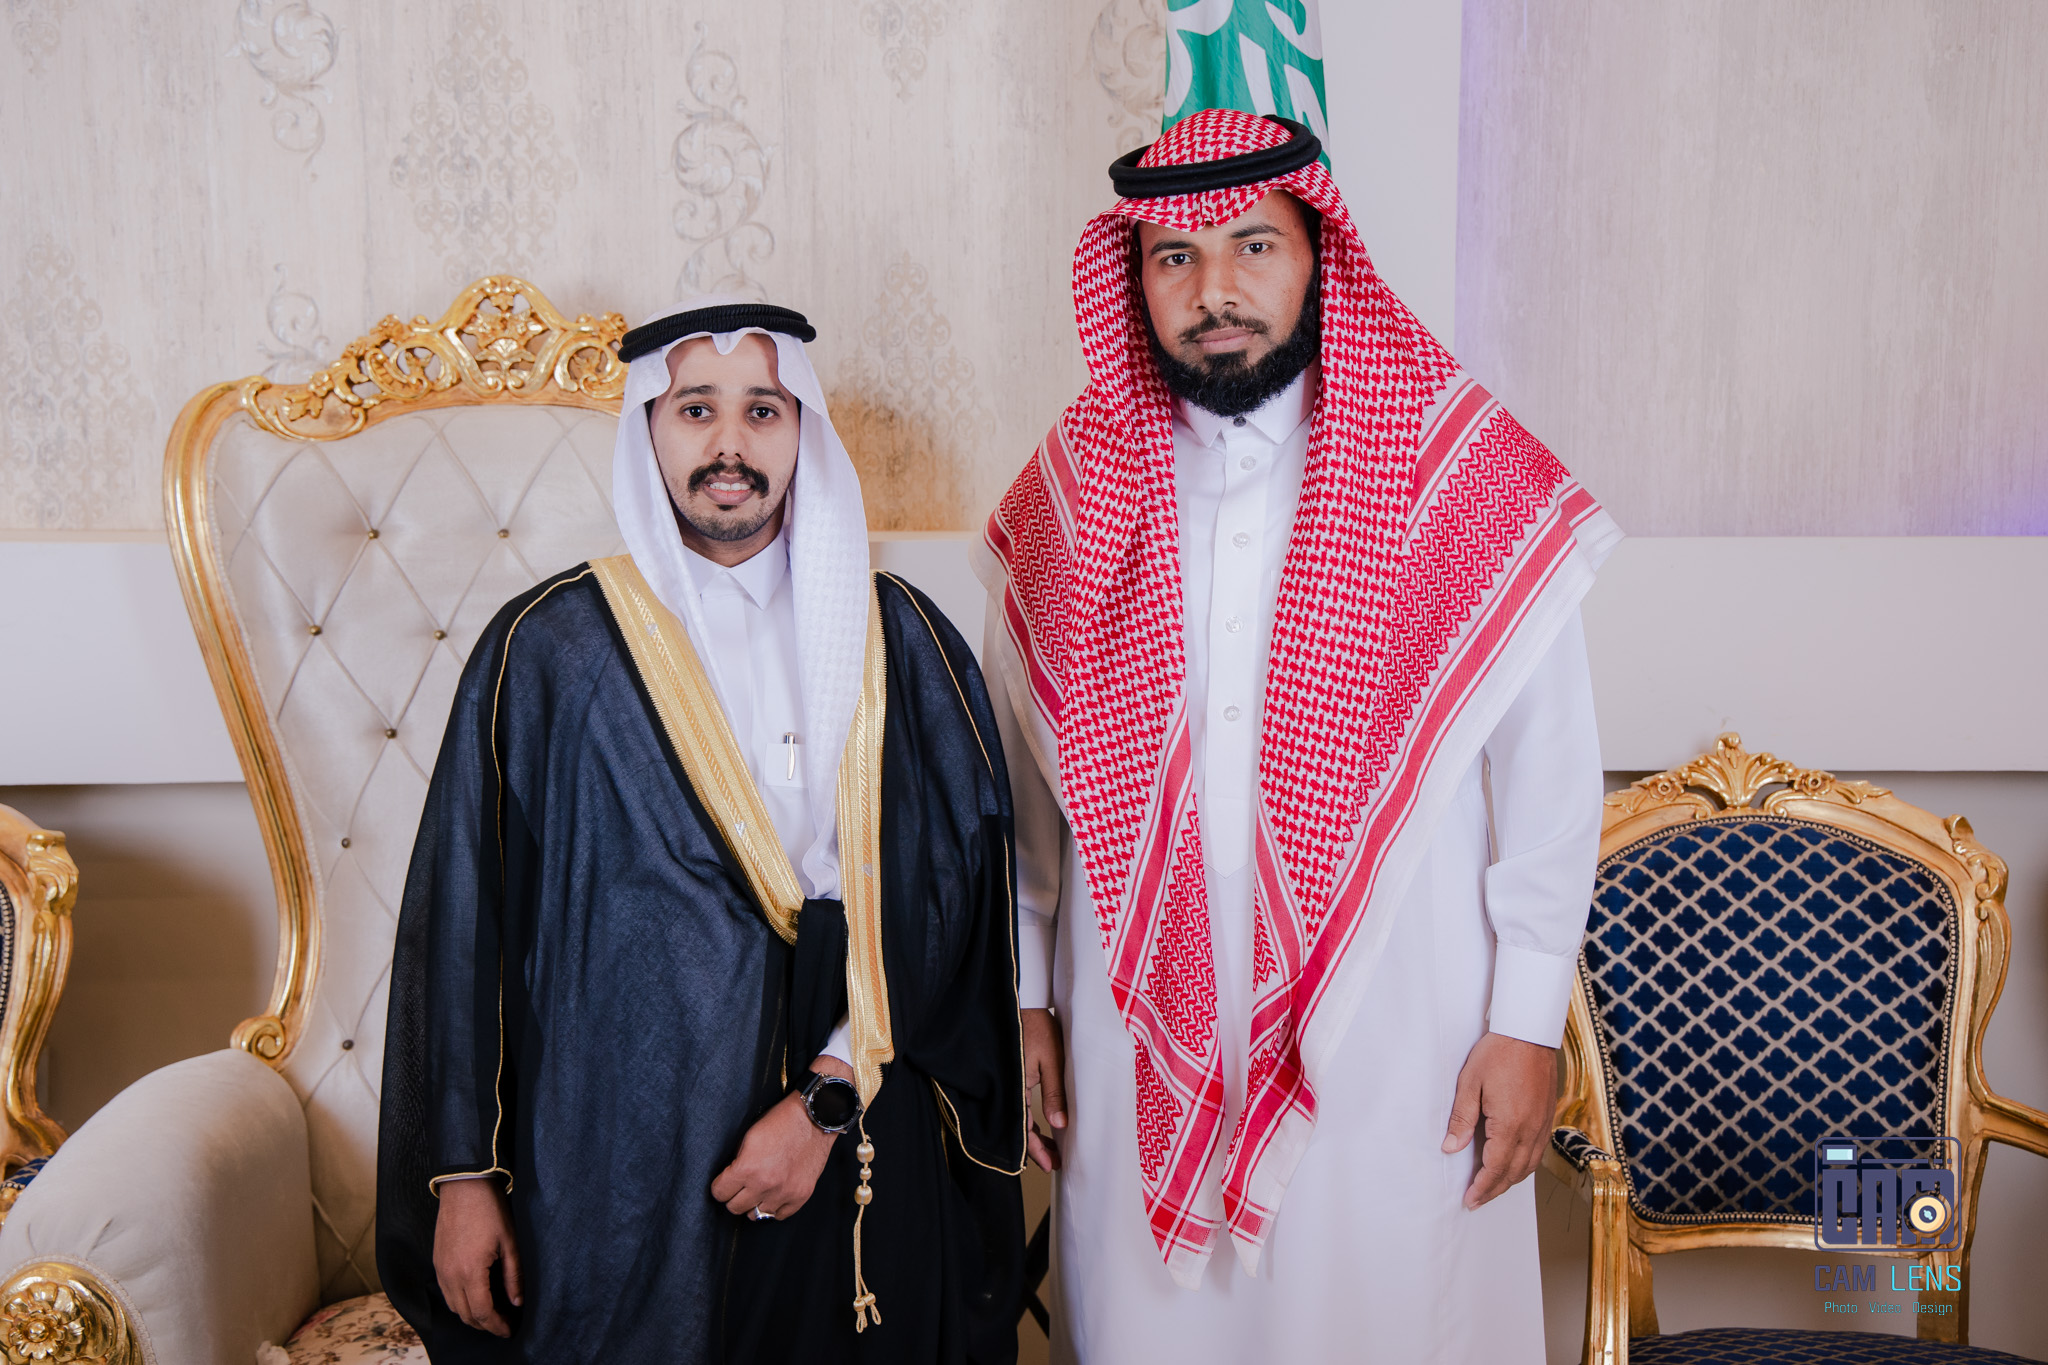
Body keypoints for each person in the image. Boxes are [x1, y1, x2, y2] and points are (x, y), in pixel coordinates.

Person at [977, 109, 1622, 1361]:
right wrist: (1026, 997)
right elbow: (1026, 797)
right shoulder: (1074, 488)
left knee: (1380, 1314)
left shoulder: (1451, 468)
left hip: (1401, 1029)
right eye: (1174, 257)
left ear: (1319, 255)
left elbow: (1547, 772)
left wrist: (1526, 1022)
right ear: (1133, 278)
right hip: (1132, 1025)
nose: (1213, 291)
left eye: (1253, 247)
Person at [377, 298, 1026, 1363]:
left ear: (802, 429)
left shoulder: (902, 638)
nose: (730, 444)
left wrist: (823, 1100)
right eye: (695, 410)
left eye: (762, 410)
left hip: (860, 1114)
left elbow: (951, 901)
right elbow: (465, 922)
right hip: (623, 1148)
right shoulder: (549, 651)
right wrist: (464, 1176)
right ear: (649, 428)